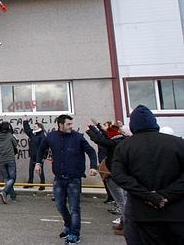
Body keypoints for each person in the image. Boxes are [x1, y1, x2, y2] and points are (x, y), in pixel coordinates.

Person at [111, 105, 184, 245]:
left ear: (133, 125)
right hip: (176, 213)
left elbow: (119, 175)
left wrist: (149, 195)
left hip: (141, 215)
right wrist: (166, 195)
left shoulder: (124, 146)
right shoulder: (178, 143)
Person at [35, 114, 98, 244]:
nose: (71, 126)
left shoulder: (78, 137)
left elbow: (91, 151)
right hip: (59, 178)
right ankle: (68, 226)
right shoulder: (51, 137)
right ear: (60, 125)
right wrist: (38, 163)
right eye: (68, 124)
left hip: (74, 179)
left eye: (71, 124)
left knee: (74, 208)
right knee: (59, 205)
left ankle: (75, 234)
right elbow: (41, 150)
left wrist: (93, 166)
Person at [85, 120, 127, 235]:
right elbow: (104, 134)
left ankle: (127, 226)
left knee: (121, 201)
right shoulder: (119, 140)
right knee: (122, 200)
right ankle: (124, 223)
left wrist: (89, 130)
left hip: (113, 174)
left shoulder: (116, 142)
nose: (105, 130)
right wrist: (95, 126)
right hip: (114, 173)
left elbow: (100, 138)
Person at [0, 121, 19, 203]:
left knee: (7, 178)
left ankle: (13, 197)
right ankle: (4, 192)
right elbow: (15, 144)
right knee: (12, 178)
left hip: (1, 160)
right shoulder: (8, 135)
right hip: (10, 158)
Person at [23, 120, 47, 190]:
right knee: (31, 170)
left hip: (39, 156)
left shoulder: (42, 135)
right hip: (33, 155)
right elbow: (27, 130)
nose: (33, 127)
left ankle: (42, 184)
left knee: (40, 171)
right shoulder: (33, 134)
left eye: (35, 126)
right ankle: (30, 183)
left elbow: (44, 147)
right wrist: (25, 121)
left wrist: (43, 157)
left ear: (39, 127)